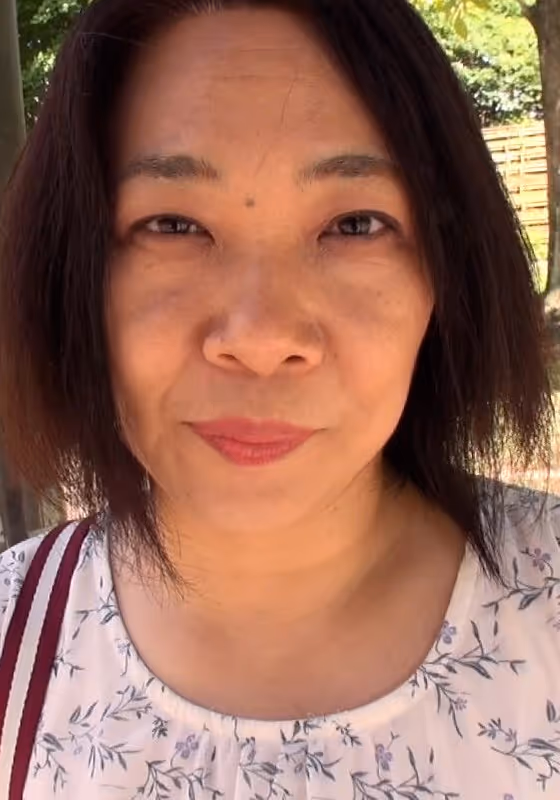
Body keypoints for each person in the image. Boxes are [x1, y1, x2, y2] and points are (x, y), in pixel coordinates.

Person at [0, 0, 558, 796]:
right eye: (173, 225)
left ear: (446, 274)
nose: (261, 338)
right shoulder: (13, 642)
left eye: (355, 225)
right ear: (72, 276)